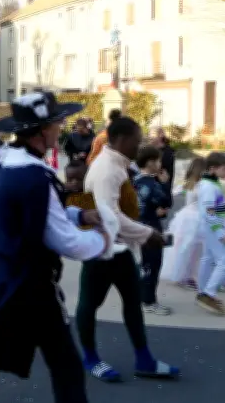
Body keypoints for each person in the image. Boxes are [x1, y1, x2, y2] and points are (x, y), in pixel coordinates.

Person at [0, 91, 113, 403]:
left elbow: (33, 213)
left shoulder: (5, 161)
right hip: (29, 283)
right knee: (65, 366)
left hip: (10, 276)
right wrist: (104, 239)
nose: (61, 127)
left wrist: (78, 214)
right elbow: (65, 241)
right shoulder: (33, 175)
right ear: (43, 131)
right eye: (57, 122)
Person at [79, 116, 178, 382]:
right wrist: (148, 233)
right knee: (89, 304)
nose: (141, 144)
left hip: (121, 249)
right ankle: (90, 358)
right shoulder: (106, 170)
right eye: (138, 139)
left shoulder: (120, 165)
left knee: (133, 303)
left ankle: (144, 359)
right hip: (100, 251)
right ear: (122, 140)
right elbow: (109, 216)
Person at [133, 145, 173, 316]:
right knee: (153, 264)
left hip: (138, 225)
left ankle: (143, 296)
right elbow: (166, 201)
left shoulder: (135, 181)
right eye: (157, 160)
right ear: (149, 162)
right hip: (151, 227)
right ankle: (149, 301)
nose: (159, 163)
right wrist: (165, 184)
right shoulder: (151, 183)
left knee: (145, 264)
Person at [195, 152, 225, 315]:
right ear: (212, 169)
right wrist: (220, 233)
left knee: (208, 259)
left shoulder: (212, 183)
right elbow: (208, 212)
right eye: (224, 169)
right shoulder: (209, 187)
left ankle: (202, 291)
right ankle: (208, 294)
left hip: (212, 227)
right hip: (213, 229)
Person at [161, 157, 207, 290]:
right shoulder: (200, 185)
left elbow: (174, 192)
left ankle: (185, 275)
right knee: (190, 248)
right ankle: (186, 276)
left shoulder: (189, 183)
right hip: (194, 219)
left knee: (186, 248)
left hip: (186, 217)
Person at [149, 127, 175, 192]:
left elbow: (160, 169)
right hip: (152, 187)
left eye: (152, 135)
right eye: (150, 135)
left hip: (161, 188)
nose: (150, 137)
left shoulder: (167, 152)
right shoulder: (151, 149)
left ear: (160, 136)